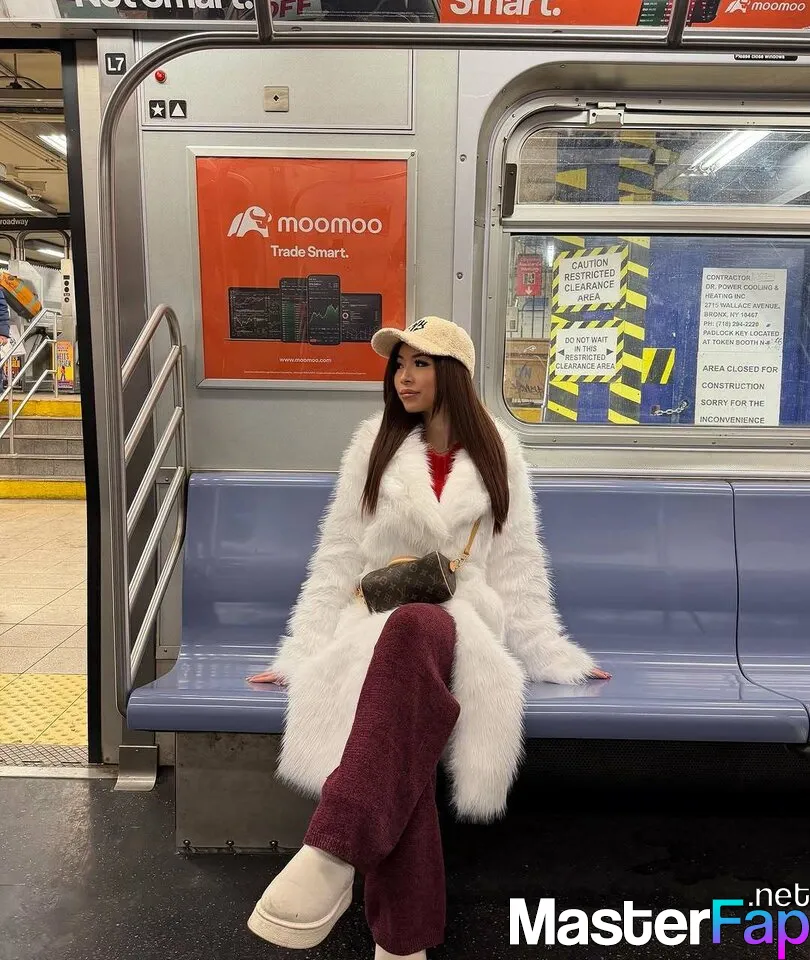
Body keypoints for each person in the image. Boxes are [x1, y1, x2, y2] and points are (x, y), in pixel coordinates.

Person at [246, 316, 610, 959]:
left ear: (454, 374)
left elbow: (518, 563)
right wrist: (301, 650)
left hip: (465, 622)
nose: (403, 377)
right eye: (399, 364)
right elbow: (338, 555)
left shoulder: (498, 451)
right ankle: (402, 946)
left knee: (419, 630)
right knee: (400, 727)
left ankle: (333, 849)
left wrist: (551, 654)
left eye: (420, 364)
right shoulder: (373, 446)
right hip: (375, 620)